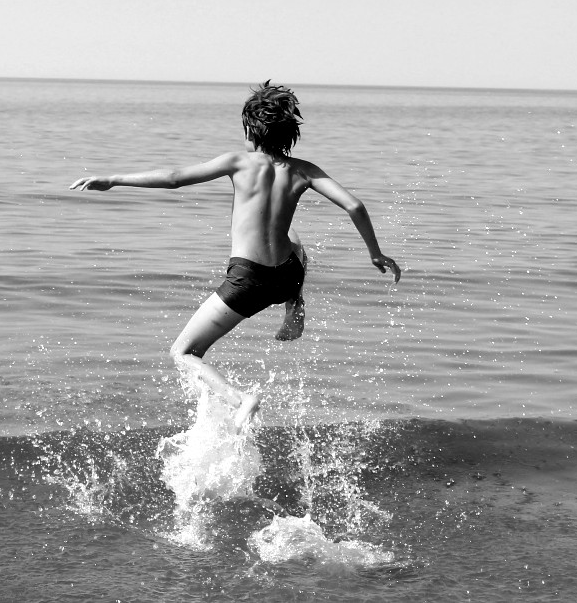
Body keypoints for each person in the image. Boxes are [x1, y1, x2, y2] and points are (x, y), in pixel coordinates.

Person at [70, 81, 401, 432]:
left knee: (183, 353)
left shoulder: (238, 162)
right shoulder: (304, 170)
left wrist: (114, 179)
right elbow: (354, 205)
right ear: (288, 134)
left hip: (248, 280)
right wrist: (375, 253)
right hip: (286, 276)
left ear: (250, 130)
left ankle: (239, 399)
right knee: (294, 239)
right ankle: (295, 304)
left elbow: (174, 178)